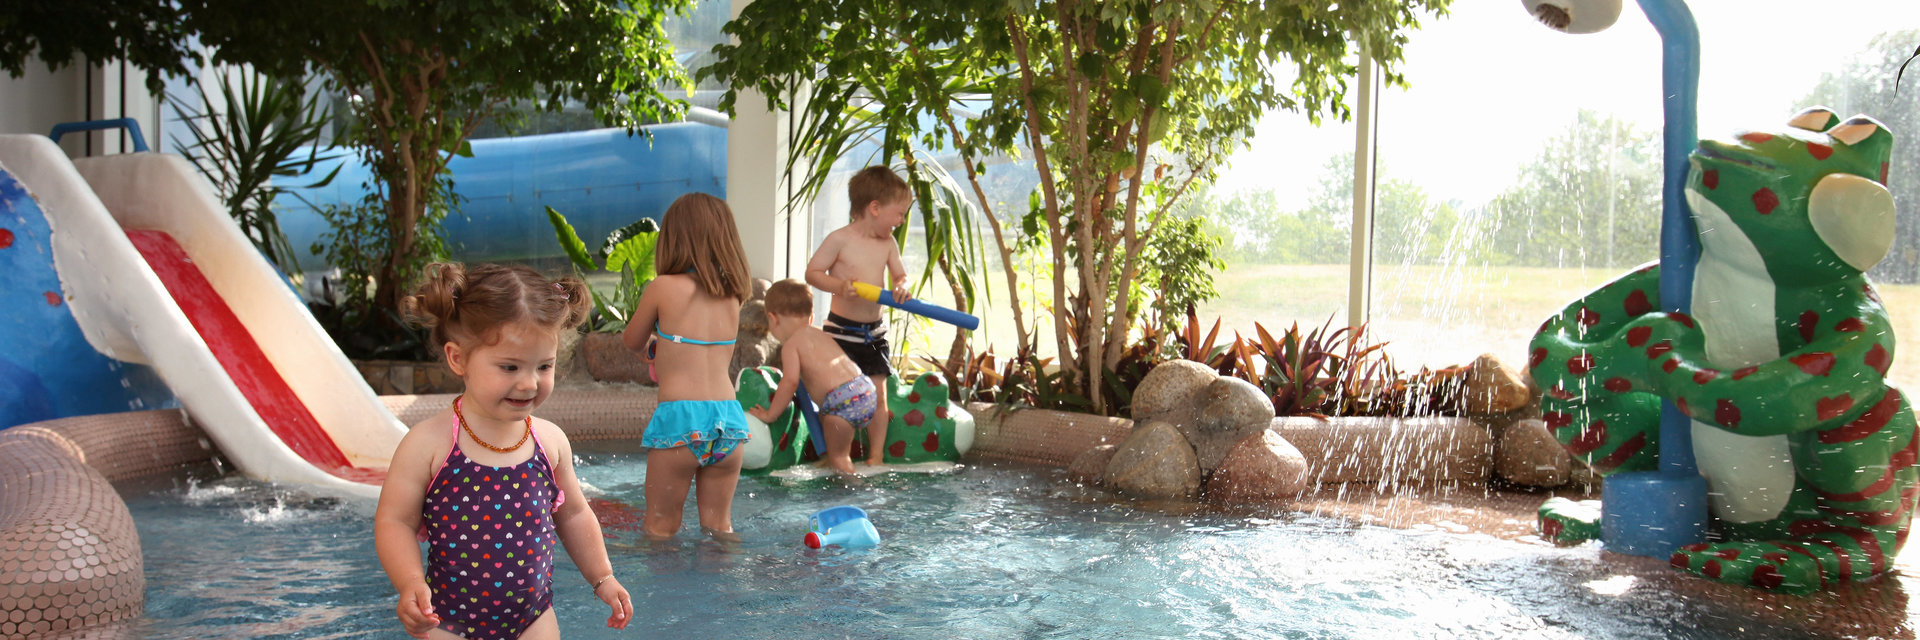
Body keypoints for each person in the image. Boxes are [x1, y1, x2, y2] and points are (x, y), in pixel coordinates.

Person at [374, 263, 631, 639]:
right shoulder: (429, 444)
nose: (528, 383)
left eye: (544, 366)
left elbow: (574, 515)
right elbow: (395, 521)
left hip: (533, 618)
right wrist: (410, 582)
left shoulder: (549, 442)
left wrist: (603, 577)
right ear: (458, 358)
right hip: (447, 619)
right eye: (509, 367)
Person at [621, 192, 754, 541]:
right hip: (729, 423)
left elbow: (631, 341)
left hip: (682, 420)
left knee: (660, 527)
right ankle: (729, 592)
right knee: (720, 528)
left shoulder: (663, 287)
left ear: (673, 239)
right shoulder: (734, 294)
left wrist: (651, 351)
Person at [804, 165, 911, 466]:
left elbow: (901, 275)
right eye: (899, 214)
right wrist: (839, 286)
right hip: (840, 332)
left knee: (878, 395)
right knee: (837, 396)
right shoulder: (840, 239)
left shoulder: (888, 244)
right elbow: (812, 273)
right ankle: (837, 455)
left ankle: (875, 457)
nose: (901, 221)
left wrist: (902, 286)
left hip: (874, 332)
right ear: (874, 208)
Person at [747, 279, 877, 475]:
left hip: (842, 401)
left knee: (839, 458)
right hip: (865, 389)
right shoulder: (821, 334)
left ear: (773, 319)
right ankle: (832, 459)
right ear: (810, 318)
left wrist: (770, 414)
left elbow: (789, 382)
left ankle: (854, 492)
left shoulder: (791, 346)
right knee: (829, 425)